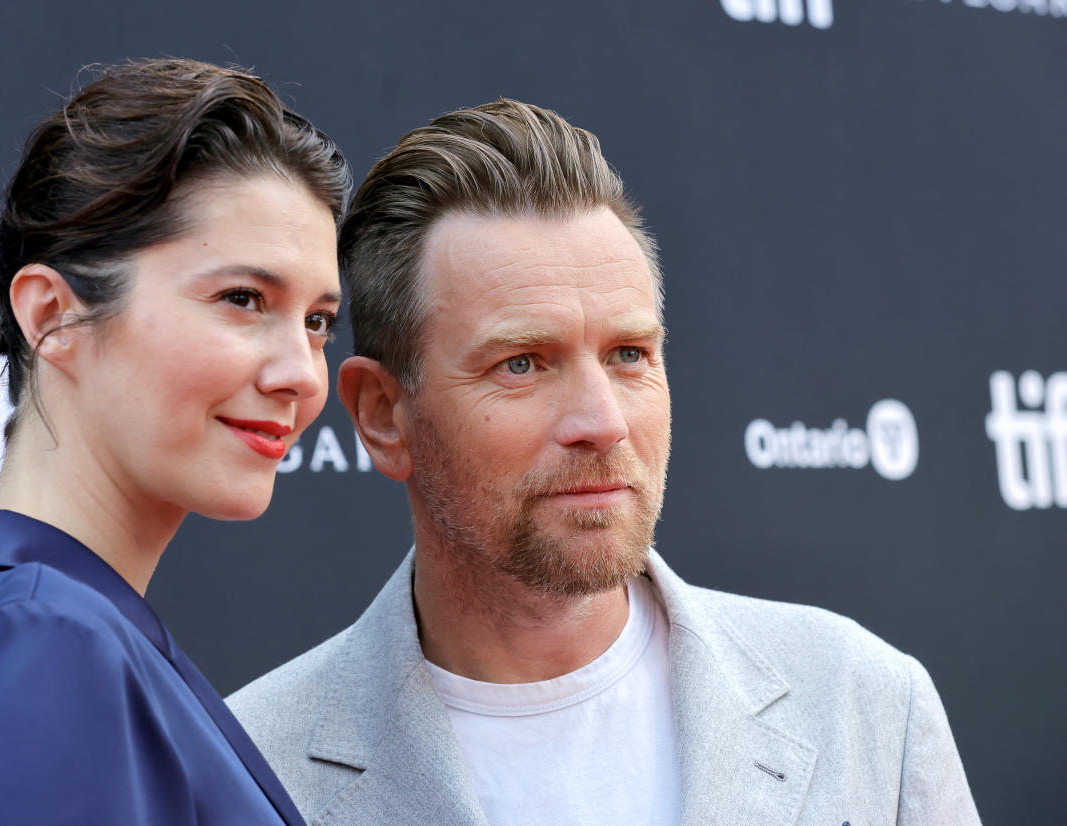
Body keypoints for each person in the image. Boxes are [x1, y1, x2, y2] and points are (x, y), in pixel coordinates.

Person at [227, 100, 982, 824]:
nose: (603, 422)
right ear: (383, 416)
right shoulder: (246, 769)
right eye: (522, 364)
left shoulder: (865, 705)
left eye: (629, 355)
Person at [0, 58, 349, 826]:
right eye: (243, 299)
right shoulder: (40, 640)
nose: (300, 373)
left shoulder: (67, 627)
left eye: (317, 321)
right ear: (52, 316)